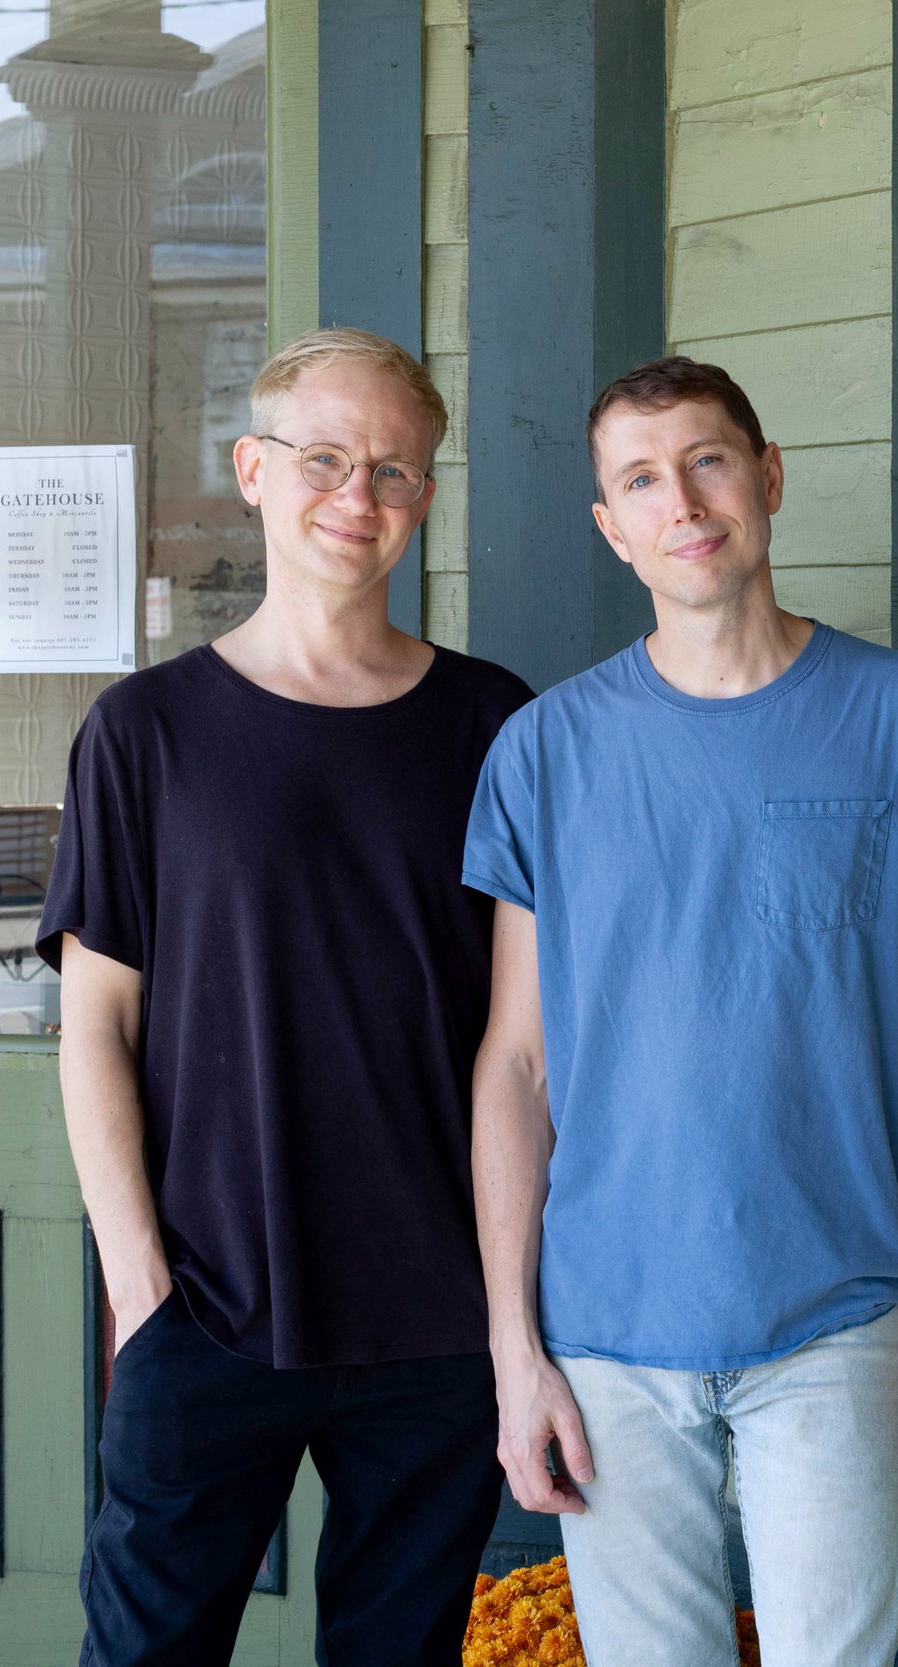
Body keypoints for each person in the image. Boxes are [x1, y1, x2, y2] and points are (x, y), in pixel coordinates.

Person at [463, 356, 898, 1666]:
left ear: (767, 477)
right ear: (611, 527)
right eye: (641, 480)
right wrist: (513, 1350)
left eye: (709, 460)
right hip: (604, 1327)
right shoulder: (544, 752)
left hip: (836, 1311)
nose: (684, 501)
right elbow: (517, 1063)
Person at [41, 327, 532, 1666]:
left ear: (423, 501)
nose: (356, 497)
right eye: (323, 459)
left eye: (393, 471)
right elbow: (96, 1025)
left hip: (440, 1322)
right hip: (208, 1308)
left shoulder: (497, 726)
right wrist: (143, 1292)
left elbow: (528, 1039)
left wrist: (514, 1308)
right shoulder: (145, 734)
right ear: (254, 470)